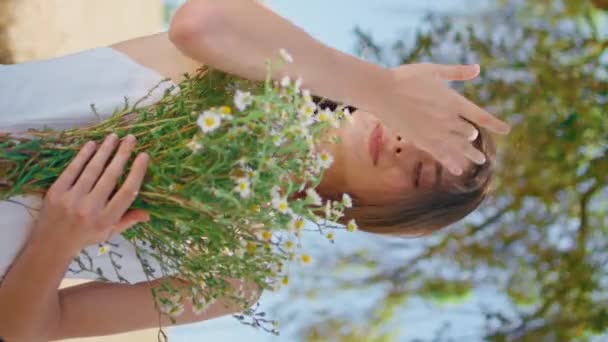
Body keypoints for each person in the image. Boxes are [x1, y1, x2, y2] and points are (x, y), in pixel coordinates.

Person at [0, 0, 510, 340]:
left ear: (389, 213)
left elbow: (23, 330)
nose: (405, 145)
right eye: (422, 128)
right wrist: (380, 85)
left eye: (422, 173)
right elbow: (196, 23)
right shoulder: (246, 72)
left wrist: (58, 240)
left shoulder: (233, 275)